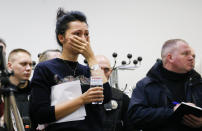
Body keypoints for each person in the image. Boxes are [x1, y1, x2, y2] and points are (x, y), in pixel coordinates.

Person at [29, 8, 111, 131]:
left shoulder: (90, 70)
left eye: (86, 34)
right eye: (77, 34)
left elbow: (106, 97)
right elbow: (40, 114)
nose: (83, 39)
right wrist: (82, 100)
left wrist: (91, 58)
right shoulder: (45, 68)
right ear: (62, 38)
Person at [127, 39, 202, 131]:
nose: (191, 58)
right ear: (170, 58)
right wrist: (172, 112)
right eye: (185, 54)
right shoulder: (146, 85)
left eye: (193, 55)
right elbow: (135, 116)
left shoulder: (198, 83)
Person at [95, 55, 130, 131]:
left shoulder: (123, 99)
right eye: (98, 69)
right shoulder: (79, 97)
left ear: (110, 72)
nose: (102, 73)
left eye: (106, 70)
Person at [7, 48, 33, 130]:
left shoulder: (37, 90)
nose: (29, 68)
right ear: (10, 66)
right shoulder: (3, 93)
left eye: (31, 64)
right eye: (23, 64)